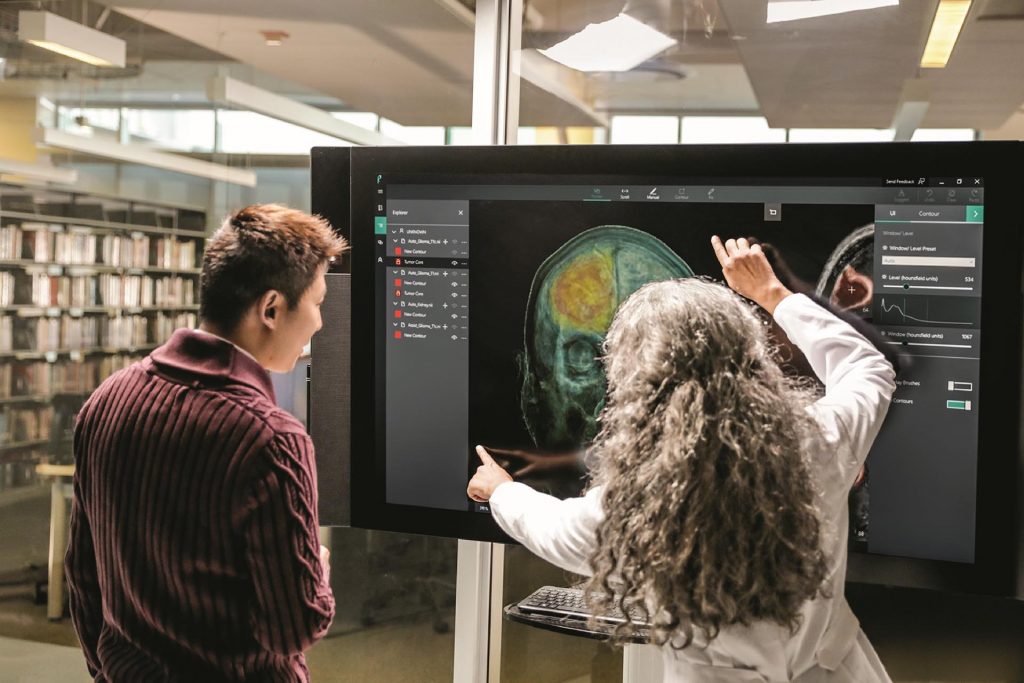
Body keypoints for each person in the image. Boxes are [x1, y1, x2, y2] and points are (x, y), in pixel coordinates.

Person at [468, 236, 896, 682]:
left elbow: (549, 527)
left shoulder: (635, 508)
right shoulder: (820, 441)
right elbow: (868, 368)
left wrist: (500, 491)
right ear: (751, 357)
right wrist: (771, 294)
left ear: (634, 387)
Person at [66, 204, 347, 682]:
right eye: (317, 302)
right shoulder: (273, 440)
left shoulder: (105, 401)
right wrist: (315, 573)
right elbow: (293, 628)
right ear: (272, 309)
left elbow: (83, 576)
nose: (320, 323)